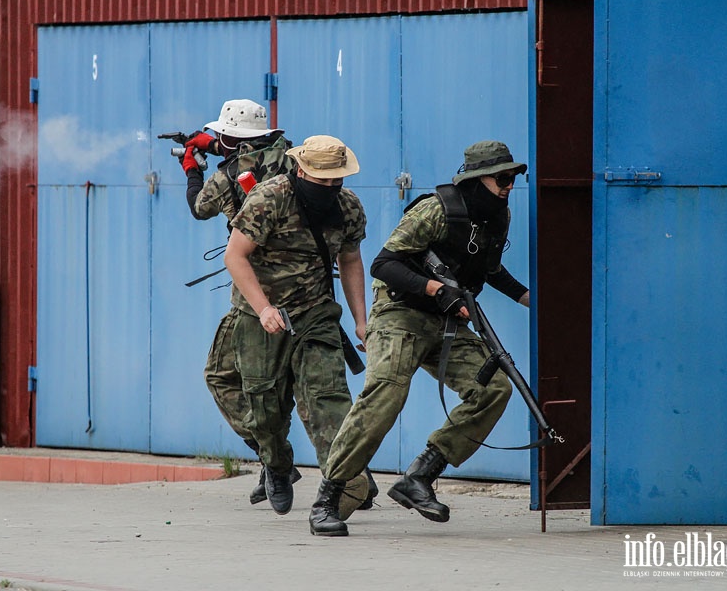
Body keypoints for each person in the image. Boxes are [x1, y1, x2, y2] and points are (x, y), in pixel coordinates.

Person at [309, 140, 531, 536]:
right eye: (502, 177)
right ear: (478, 179)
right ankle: (329, 496)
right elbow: (383, 263)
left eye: (514, 176)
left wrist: (529, 299)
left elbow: (491, 270)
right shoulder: (437, 209)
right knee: (386, 393)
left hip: (445, 321)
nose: (510, 184)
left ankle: (420, 475)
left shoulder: (498, 216)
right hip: (400, 315)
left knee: (495, 387)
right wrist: (436, 290)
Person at [223, 135, 371, 516]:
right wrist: (263, 309)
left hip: (316, 313)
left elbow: (351, 260)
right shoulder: (270, 198)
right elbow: (235, 256)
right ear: (301, 169)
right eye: (322, 180)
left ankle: (338, 493)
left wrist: (360, 321)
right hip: (262, 316)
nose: (330, 187)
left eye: (336, 180)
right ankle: (277, 465)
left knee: (329, 398)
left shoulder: (348, 206)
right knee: (265, 409)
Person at [180, 99, 300, 505]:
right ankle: (351, 477)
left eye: (221, 136)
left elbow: (200, 209)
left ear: (231, 137)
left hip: (255, 295)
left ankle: (273, 458)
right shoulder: (294, 157)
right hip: (307, 287)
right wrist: (212, 145)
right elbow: (257, 151)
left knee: (222, 376)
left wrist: (191, 167)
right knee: (312, 391)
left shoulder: (228, 174)